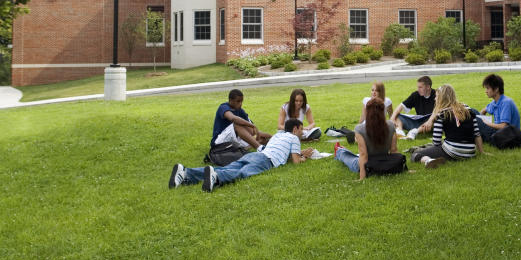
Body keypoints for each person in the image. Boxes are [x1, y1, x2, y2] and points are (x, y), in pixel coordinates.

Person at [170, 119, 313, 191]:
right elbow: (295, 161)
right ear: (295, 129)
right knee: (242, 173)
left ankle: (186, 172)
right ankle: (217, 178)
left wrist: (298, 153)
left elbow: (282, 152)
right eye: (301, 129)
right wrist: (304, 156)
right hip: (265, 160)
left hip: (253, 155)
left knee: (229, 168)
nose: (303, 132)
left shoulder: (278, 135)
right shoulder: (294, 138)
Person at [409, 84, 483, 169]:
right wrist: (482, 152)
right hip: (471, 152)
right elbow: (477, 133)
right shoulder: (468, 109)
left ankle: (428, 161)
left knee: (415, 154)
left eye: (436, 97)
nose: (435, 99)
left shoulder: (441, 114)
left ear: (441, 98)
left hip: (453, 152)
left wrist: (438, 148)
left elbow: (436, 142)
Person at [335, 98, 398, 179]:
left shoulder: (360, 129)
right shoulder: (391, 125)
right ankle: (341, 150)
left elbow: (363, 155)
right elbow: (394, 151)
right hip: (385, 162)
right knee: (355, 156)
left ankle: (339, 150)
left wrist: (362, 178)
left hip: (369, 164)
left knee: (345, 156)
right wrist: (401, 167)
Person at [475, 73, 521, 145]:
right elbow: (484, 110)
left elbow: (503, 126)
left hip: (507, 137)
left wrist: (486, 123)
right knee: (473, 112)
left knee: (472, 116)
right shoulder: (495, 102)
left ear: (496, 89)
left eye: (488, 88)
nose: (486, 91)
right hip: (497, 132)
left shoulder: (506, 103)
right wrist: (482, 121)